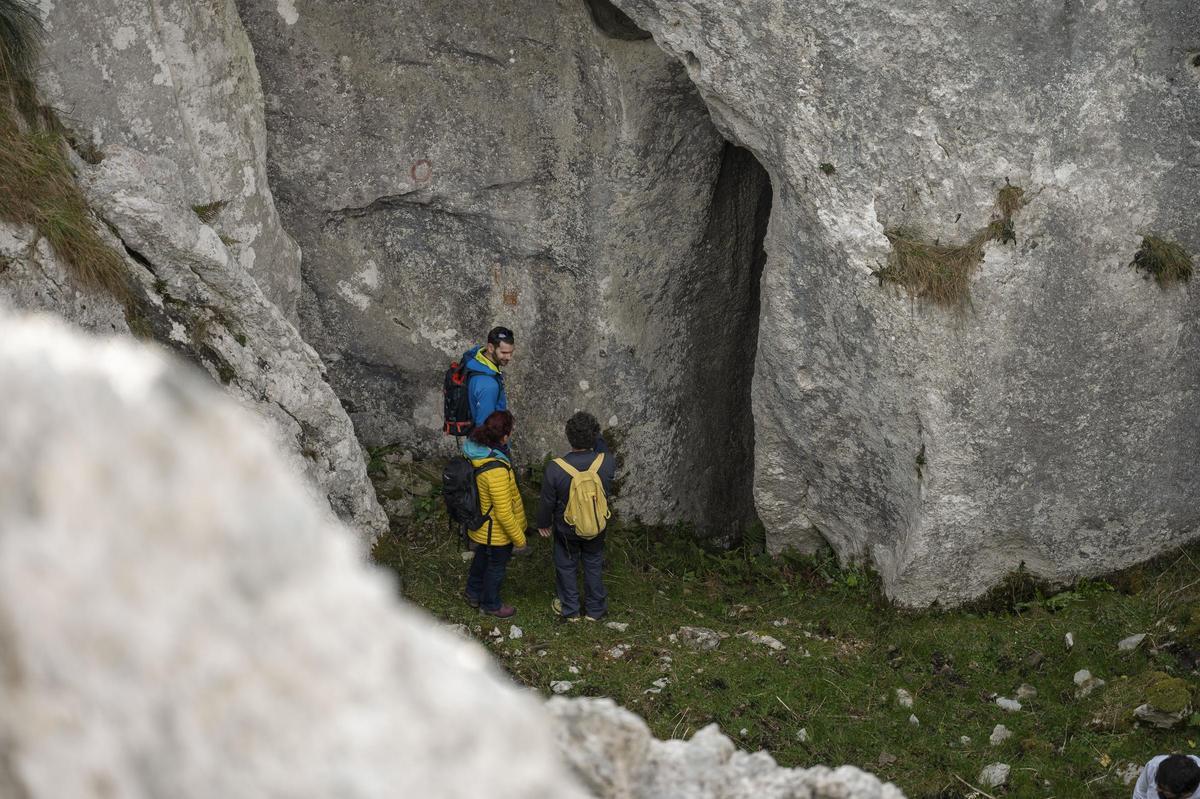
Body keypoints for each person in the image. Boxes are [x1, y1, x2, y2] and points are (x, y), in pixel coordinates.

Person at [537, 411, 616, 622]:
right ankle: (595, 611)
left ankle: (570, 609)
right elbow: (602, 447)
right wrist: (594, 435)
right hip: (597, 526)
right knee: (593, 563)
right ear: (595, 436)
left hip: (566, 529)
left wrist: (543, 523)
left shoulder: (555, 468)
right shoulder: (607, 462)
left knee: (566, 565)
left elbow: (547, 501)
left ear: (568, 437)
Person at [462, 410, 527, 618]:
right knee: (497, 566)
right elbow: (504, 512)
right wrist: (519, 539)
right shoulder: (495, 468)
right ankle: (491, 604)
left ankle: (472, 592)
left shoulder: (476, 451)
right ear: (505, 436)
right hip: (496, 529)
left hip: (482, 522)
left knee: (482, 556)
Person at [462, 326, 515, 428]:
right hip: (489, 441)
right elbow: (485, 427)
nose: (509, 357)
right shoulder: (488, 385)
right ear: (490, 348)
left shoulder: (477, 360)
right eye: (504, 352)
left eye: (511, 352)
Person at [1133, 754, 1200, 799]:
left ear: (1186, 794)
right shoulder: (1154, 766)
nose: (1157, 789)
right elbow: (1140, 792)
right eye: (1158, 783)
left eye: (1164, 789)